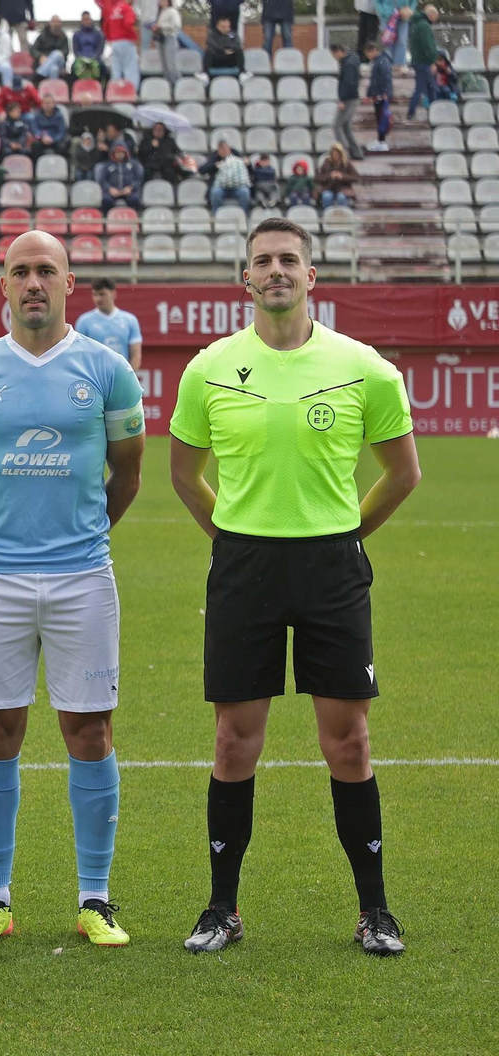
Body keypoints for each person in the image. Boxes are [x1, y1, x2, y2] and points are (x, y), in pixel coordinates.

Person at [169, 217, 420, 958]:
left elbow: (403, 472)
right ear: (244, 279)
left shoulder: (363, 366)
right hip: (245, 568)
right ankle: (222, 907)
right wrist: (233, 535)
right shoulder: (209, 366)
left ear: (313, 276)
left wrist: (347, 535)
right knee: (232, 740)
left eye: (289, 260)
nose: (275, 270)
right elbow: (184, 474)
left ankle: (375, 909)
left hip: (331, 568)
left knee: (349, 740)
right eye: (262, 261)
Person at [0, 230, 144, 950]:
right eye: (20, 270)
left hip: (84, 577)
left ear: (69, 281)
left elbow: (129, 471)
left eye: (45, 270)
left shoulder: (108, 370)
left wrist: (81, 538)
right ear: (3, 283)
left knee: (89, 729)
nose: (32, 282)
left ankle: (96, 897)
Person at [75, 276, 143, 368]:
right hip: (95, 378)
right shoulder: (84, 322)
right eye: (95, 295)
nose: (98, 299)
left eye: (102, 294)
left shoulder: (130, 320)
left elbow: (136, 356)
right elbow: (79, 355)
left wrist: (127, 379)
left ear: (113, 294)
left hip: (121, 376)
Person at [405, 4, 437, 121]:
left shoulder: (414, 24)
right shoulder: (424, 26)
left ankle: (428, 110)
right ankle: (412, 111)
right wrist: (432, 61)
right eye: (435, 17)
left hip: (417, 60)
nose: (434, 20)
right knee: (426, 87)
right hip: (424, 62)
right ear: (431, 15)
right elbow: (428, 46)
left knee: (427, 87)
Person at [334, 42, 365, 161]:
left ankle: (343, 154)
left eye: (334, 55)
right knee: (345, 126)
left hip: (349, 99)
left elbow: (348, 83)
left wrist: (342, 99)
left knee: (337, 125)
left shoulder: (348, 64)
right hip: (352, 98)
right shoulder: (352, 61)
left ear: (339, 52)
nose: (335, 58)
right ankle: (356, 152)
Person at [101, 0, 140, 87]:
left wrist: (110, 39)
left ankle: (115, 91)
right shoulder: (127, 8)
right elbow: (128, 23)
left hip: (115, 42)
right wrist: (134, 37)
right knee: (130, 68)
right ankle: (131, 90)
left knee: (116, 69)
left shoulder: (114, 9)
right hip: (126, 41)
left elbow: (106, 25)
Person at [96, 141, 143, 209]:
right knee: (106, 200)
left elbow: (138, 179)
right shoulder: (107, 165)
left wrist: (131, 187)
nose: (119, 154)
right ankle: (107, 217)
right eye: (117, 152)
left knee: (135, 199)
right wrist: (110, 188)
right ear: (113, 153)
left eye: (121, 152)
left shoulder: (133, 164)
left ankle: (133, 218)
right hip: (112, 191)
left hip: (128, 191)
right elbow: (102, 180)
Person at [208, 141, 251, 213]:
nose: (225, 152)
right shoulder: (214, 157)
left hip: (238, 187)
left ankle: (244, 214)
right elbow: (202, 170)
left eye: (226, 150)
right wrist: (215, 166)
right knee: (215, 192)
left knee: (245, 192)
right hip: (221, 187)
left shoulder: (237, 155)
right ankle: (216, 215)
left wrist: (248, 164)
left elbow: (249, 171)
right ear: (219, 150)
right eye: (222, 150)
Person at [366, 39, 392, 151]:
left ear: (373, 51)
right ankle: (381, 140)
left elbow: (386, 78)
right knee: (379, 118)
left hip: (382, 96)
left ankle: (382, 142)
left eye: (368, 53)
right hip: (377, 95)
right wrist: (370, 94)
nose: (368, 56)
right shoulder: (377, 62)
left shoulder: (382, 61)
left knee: (382, 118)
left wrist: (386, 93)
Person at [71, 12, 107, 81]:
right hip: (81, 58)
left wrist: (93, 58)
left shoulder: (99, 34)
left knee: (103, 68)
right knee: (73, 67)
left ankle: (102, 87)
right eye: (84, 20)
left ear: (91, 20)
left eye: (88, 19)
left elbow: (100, 49)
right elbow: (76, 50)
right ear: (81, 21)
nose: (86, 22)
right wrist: (82, 59)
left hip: (95, 57)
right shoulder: (76, 35)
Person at [157, 0, 183, 84]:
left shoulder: (172, 11)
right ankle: (169, 86)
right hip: (161, 38)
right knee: (165, 67)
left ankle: (179, 84)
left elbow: (176, 25)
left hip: (170, 38)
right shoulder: (161, 12)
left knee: (171, 66)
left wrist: (161, 26)